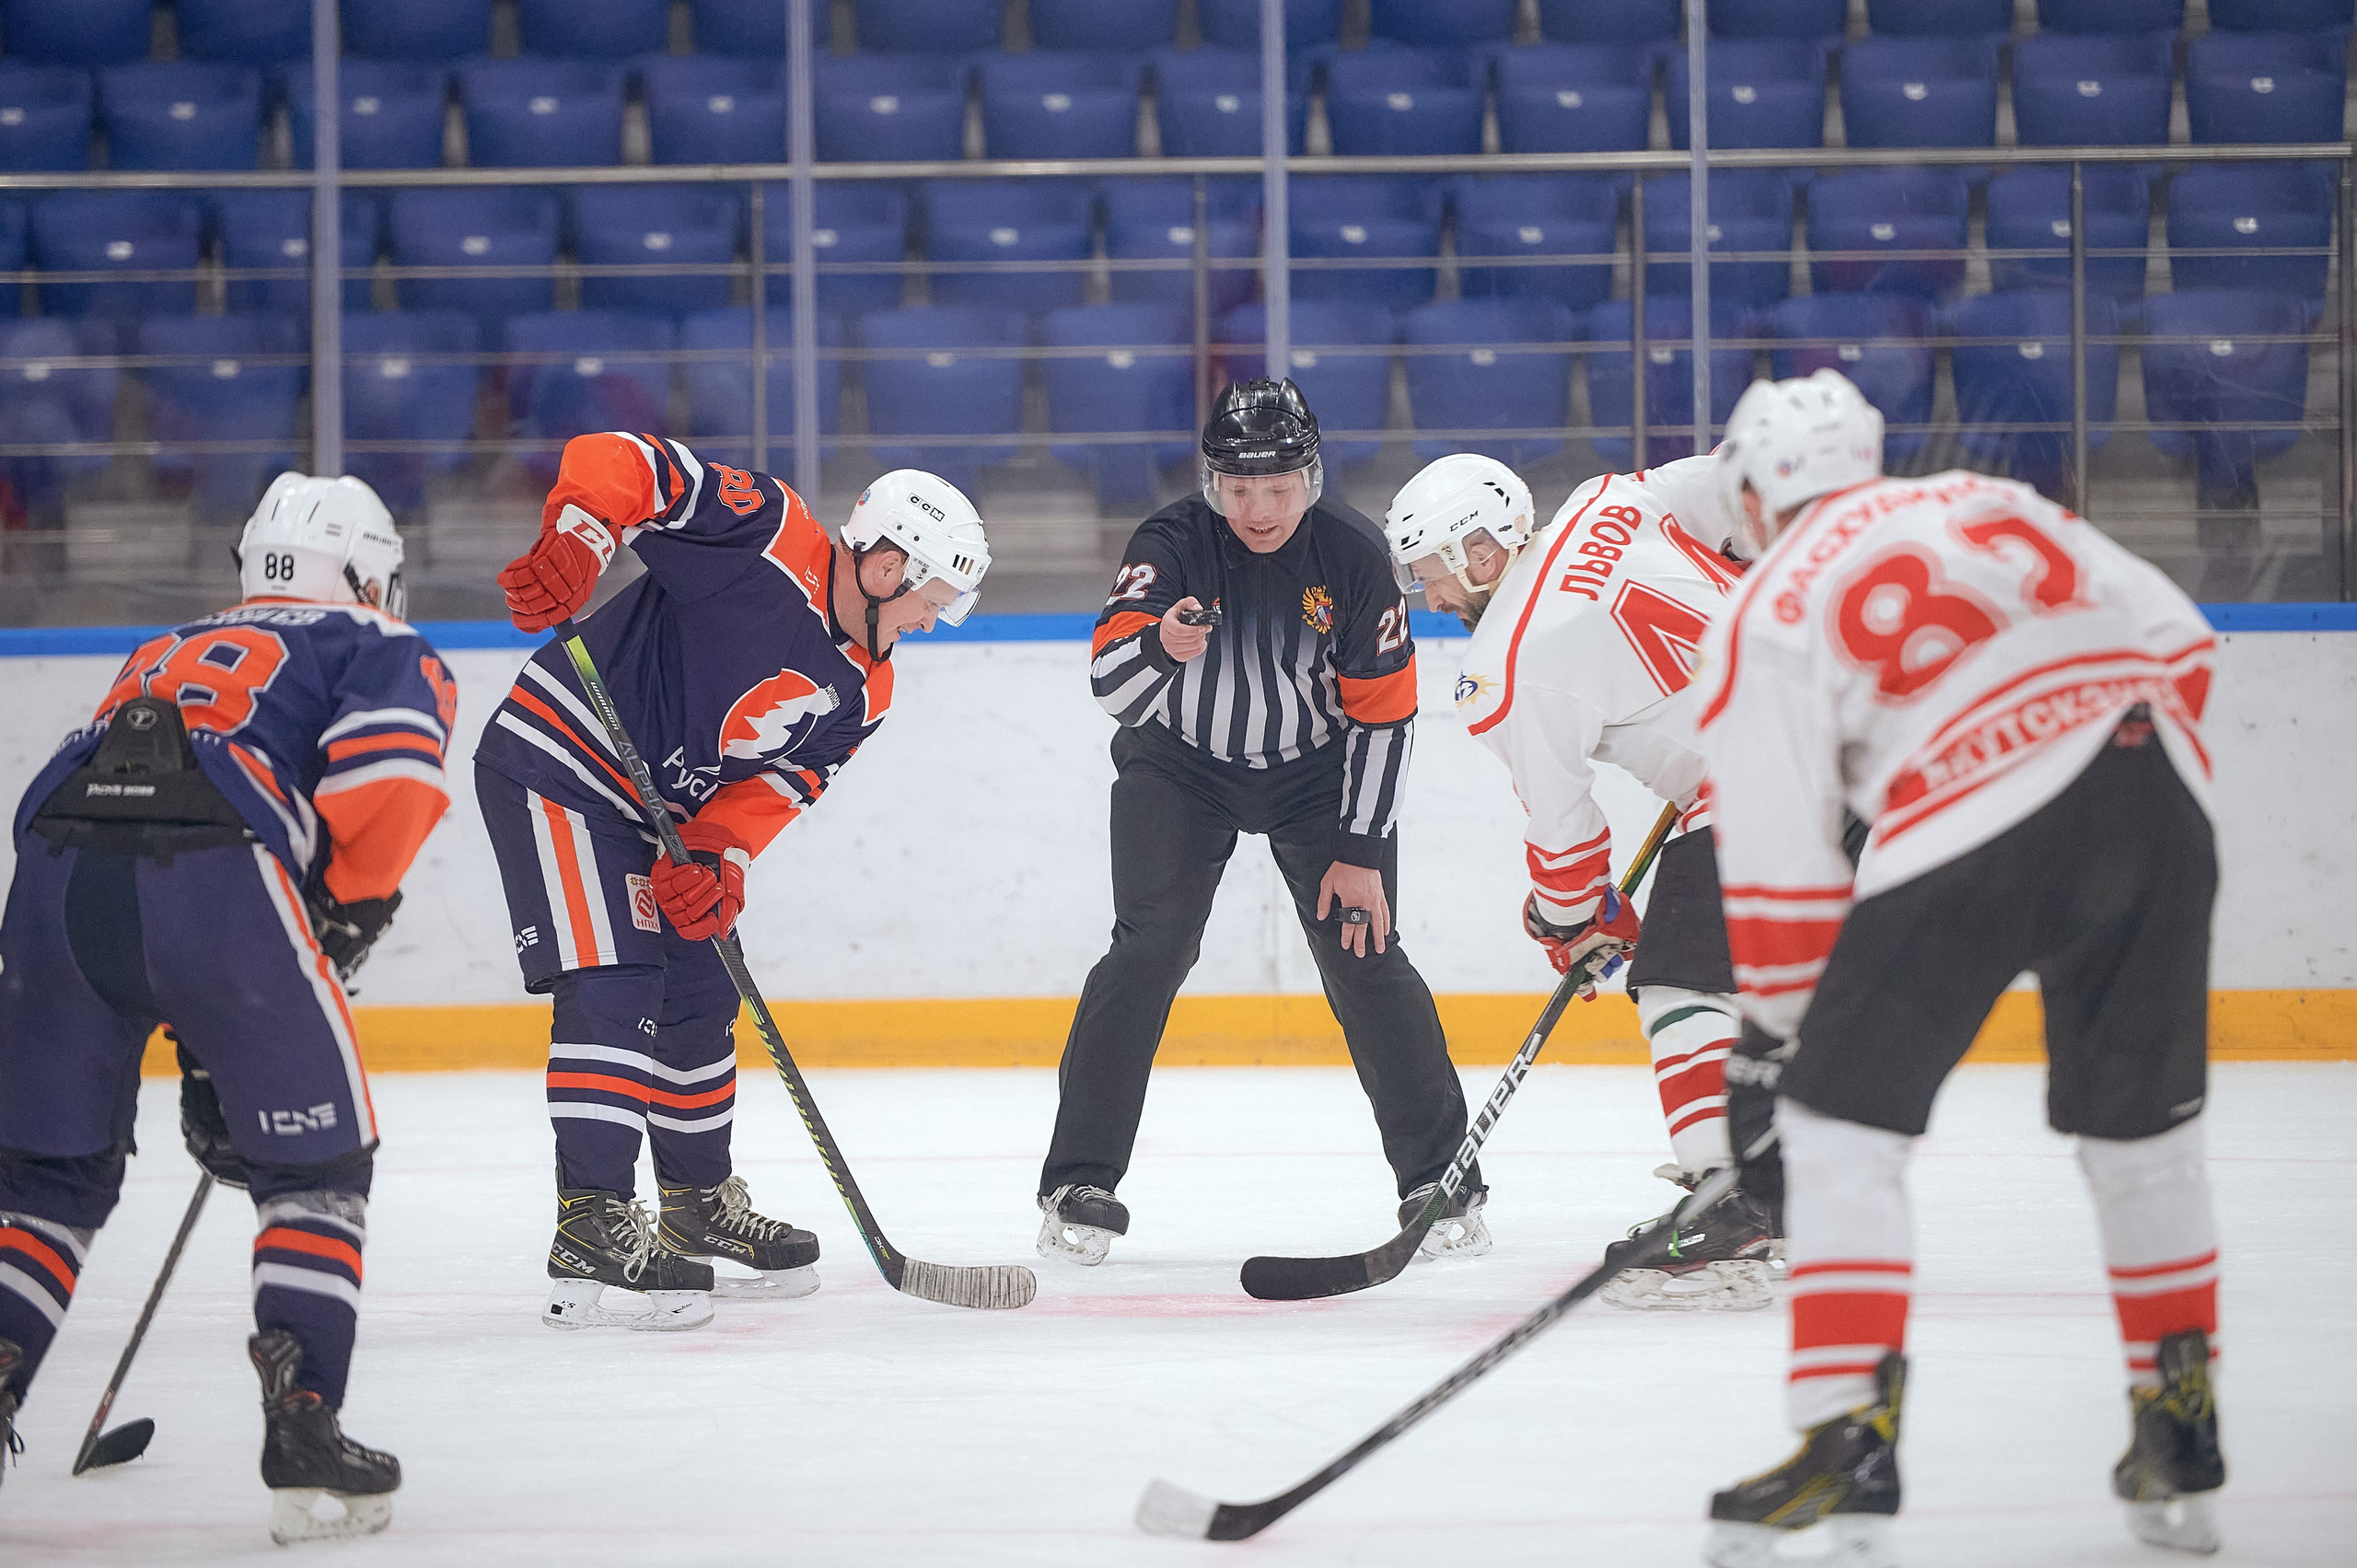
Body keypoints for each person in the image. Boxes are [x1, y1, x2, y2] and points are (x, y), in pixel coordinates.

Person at [1690, 371, 2225, 1566]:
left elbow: (1780, 863)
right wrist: (2128, 774)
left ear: (1753, 486)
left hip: (1974, 811)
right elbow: (2183, 636)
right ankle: (2179, 1421)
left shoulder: (1767, 595)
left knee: (1841, 1128)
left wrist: (1776, 1050)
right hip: (2157, 792)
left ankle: (1846, 1439)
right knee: (2145, 1138)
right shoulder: (1991, 499)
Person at [0, 474, 447, 1543]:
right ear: (372, 569)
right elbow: (388, 780)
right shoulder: (379, 642)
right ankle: (302, 1423)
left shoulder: (160, 646)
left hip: (53, 879)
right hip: (217, 878)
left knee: (47, 1179)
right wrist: (344, 913)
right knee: (314, 1165)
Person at [478, 433, 991, 1330]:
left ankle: (695, 1199)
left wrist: (720, 855)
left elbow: (779, 783)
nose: (924, 622)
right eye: (926, 601)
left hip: (666, 820)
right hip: (557, 764)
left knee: (700, 986)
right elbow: (625, 459)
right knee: (615, 976)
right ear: (883, 564)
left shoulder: (868, 688)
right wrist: (581, 537)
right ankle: (591, 1217)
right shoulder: (768, 530)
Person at [1037, 378, 1481, 1266]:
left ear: (1310, 479)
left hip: (1318, 776)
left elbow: (1386, 720)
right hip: (1179, 767)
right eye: (1239, 488)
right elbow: (1112, 691)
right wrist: (1162, 644)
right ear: (1213, 484)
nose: (1259, 507)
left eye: (1277, 487)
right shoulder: (1169, 545)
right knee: (1148, 948)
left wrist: (1359, 852)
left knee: (1364, 950)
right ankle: (1076, 1182)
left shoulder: (1353, 558)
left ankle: (1441, 1177)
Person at [1382, 451, 1779, 1311]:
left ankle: (1728, 1199)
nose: (1433, 600)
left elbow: (1564, 836)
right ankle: (1785, 1176)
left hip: (1765, 782)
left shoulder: (1508, 662)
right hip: (1856, 713)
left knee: (1681, 980)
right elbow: (1749, 477)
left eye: (1431, 576)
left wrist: (1571, 920)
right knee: (1779, 988)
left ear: (1481, 552)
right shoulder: (1610, 500)